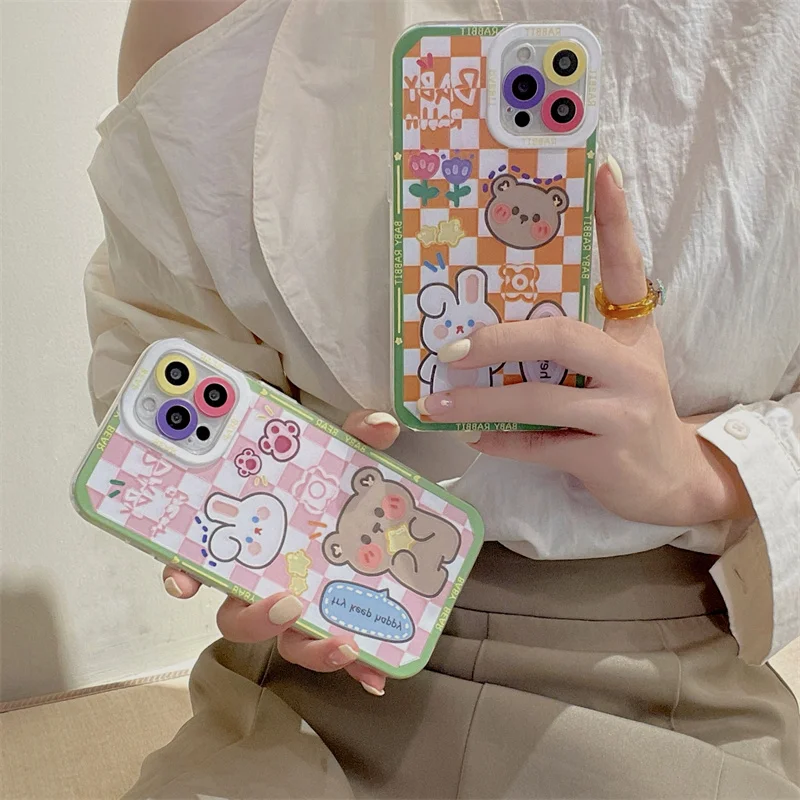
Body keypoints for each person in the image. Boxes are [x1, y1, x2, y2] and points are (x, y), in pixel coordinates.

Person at [85, 0, 800, 797]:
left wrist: (702, 472)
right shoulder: (215, 17)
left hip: (672, 673)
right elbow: (166, 350)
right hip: (326, 655)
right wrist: (250, 522)